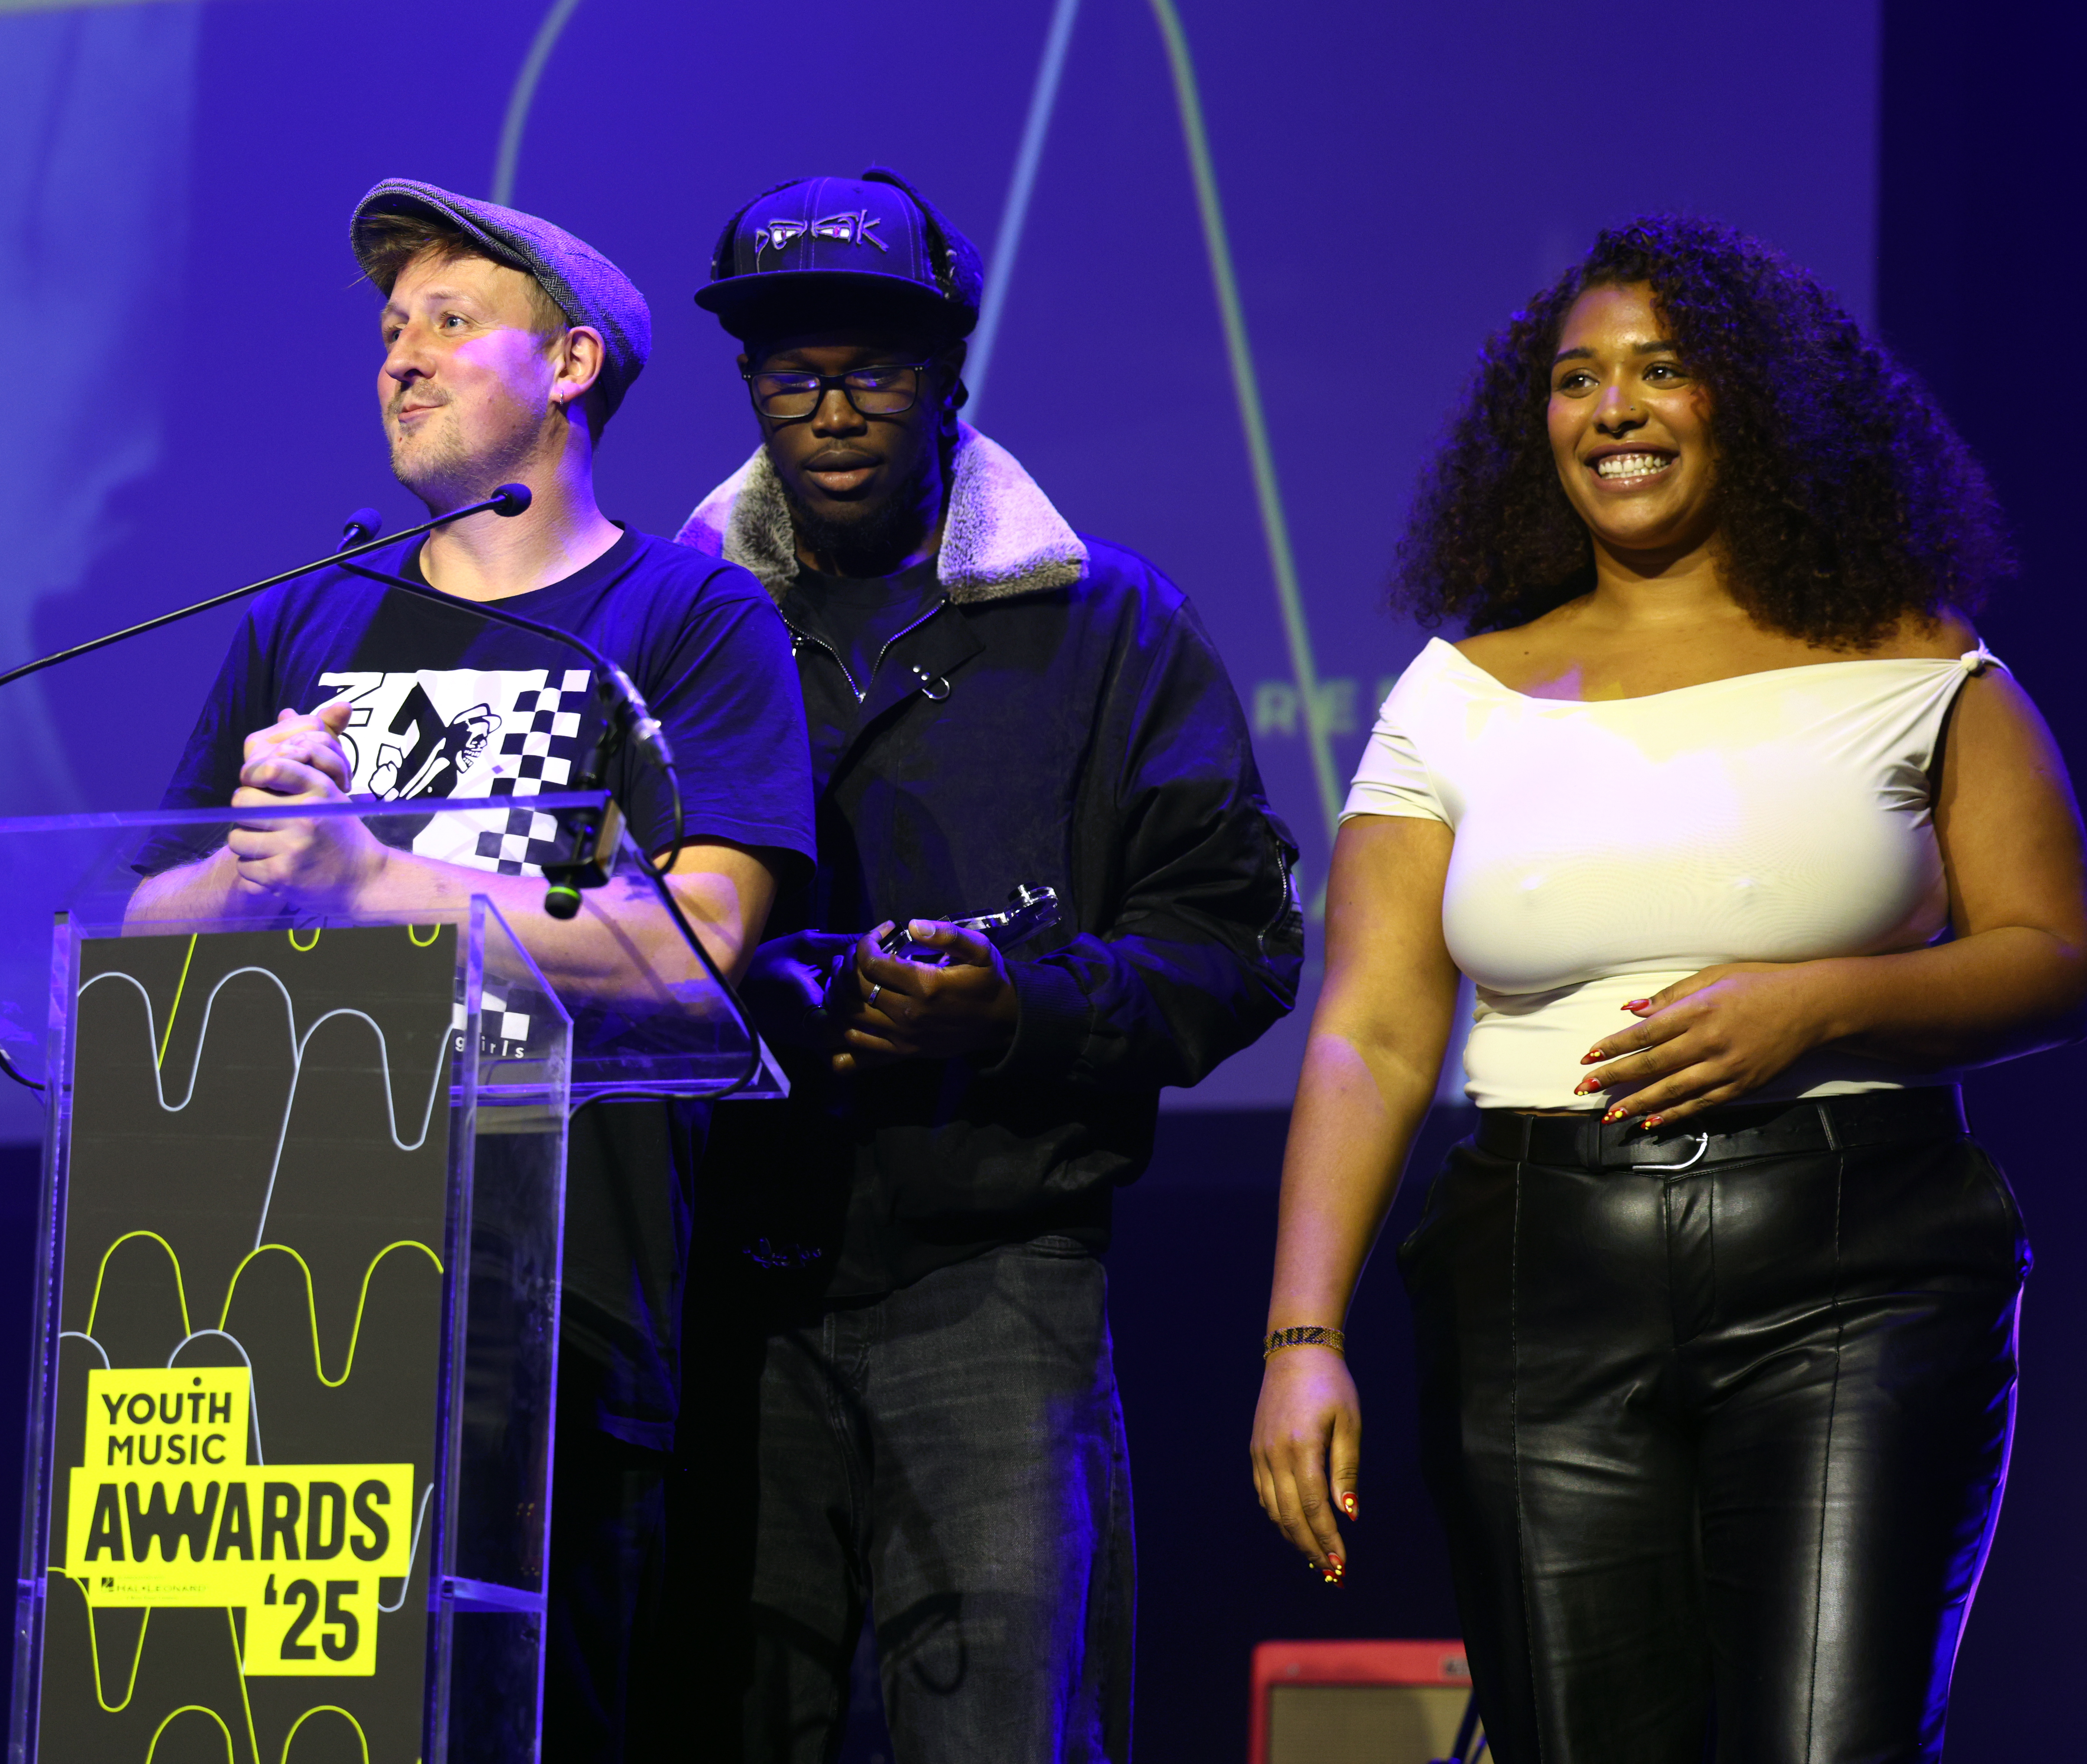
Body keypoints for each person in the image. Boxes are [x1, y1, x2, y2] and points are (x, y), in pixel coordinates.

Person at [1248, 215, 2087, 1763]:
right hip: (1536, 1273)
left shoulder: (1912, 661)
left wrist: (1818, 1005)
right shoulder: (1455, 695)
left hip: (1857, 1262)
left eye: (1660, 371)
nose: (1612, 409)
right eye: (1576, 380)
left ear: (1753, 405)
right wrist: (1299, 1343)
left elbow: (2054, 962)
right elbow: (1370, 1034)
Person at [131, 180, 816, 1761]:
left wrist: (373, 879)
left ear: (570, 366)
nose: (402, 359)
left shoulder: (683, 617)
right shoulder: (309, 623)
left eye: (450, 323)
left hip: (552, 1308)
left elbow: (700, 937)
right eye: (388, 331)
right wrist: (248, 866)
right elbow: (118, 929)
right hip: (276, 1293)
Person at [668, 167, 1305, 1762]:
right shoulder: (665, 628)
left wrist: (1013, 1012)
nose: (827, 408)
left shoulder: (1107, 626)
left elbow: (1229, 941)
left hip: (996, 1281)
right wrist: (767, 997)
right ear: (746, 382)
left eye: (870, 366)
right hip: (723, 1295)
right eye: (788, 369)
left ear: (947, 366)